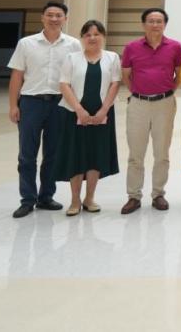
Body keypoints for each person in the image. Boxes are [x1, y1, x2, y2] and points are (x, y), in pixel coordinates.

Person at [7, 1, 81, 218]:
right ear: (42, 17)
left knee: (53, 154)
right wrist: (13, 105)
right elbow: (17, 76)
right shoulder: (26, 43)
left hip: (60, 104)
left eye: (59, 15)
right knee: (27, 154)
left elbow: (77, 76)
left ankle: (46, 196)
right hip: (31, 103)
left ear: (65, 19)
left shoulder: (73, 45)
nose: (54, 19)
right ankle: (27, 199)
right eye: (50, 15)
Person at [53, 20, 121, 216]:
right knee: (76, 155)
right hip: (73, 113)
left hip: (102, 113)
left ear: (103, 36)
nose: (92, 38)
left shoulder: (112, 57)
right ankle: (75, 200)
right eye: (88, 34)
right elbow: (64, 84)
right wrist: (79, 110)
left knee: (96, 155)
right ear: (82, 38)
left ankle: (89, 198)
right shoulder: (71, 58)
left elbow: (115, 84)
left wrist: (104, 110)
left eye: (97, 34)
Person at [120, 7, 181, 214]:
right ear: (143, 24)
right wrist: (139, 92)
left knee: (162, 152)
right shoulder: (132, 47)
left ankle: (158, 194)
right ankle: (133, 196)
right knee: (135, 153)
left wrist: (166, 92)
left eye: (159, 21)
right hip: (138, 104)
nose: (155, 24)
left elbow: (178, 75)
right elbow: (126, 75)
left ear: (165, 24)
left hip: (164, 104)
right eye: (151, 21)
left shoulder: (175, 47)